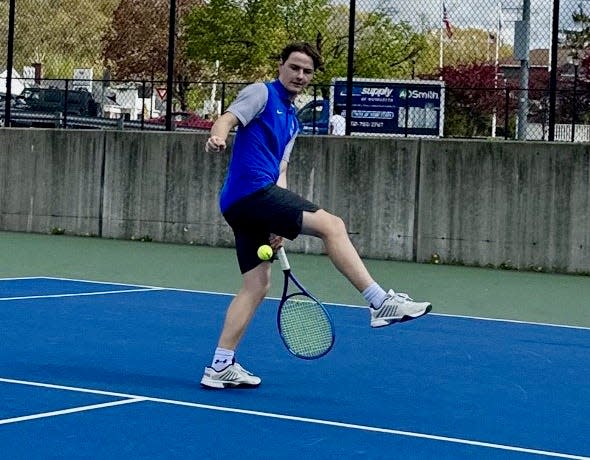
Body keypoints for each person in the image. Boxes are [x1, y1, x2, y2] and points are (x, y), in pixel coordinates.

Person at [201, 42, 432, 389]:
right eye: (294, 67)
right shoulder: (261, 94)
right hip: (249, 193)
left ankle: (220, 364)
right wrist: (217, 137)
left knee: (256, 285)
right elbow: (228, 119)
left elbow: (281, 169)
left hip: (249, 201)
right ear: (281, 65)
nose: (300, 75)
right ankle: (379, 302)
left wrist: (277, 222)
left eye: (307, 71)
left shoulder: (293, 121)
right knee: (332, 226)